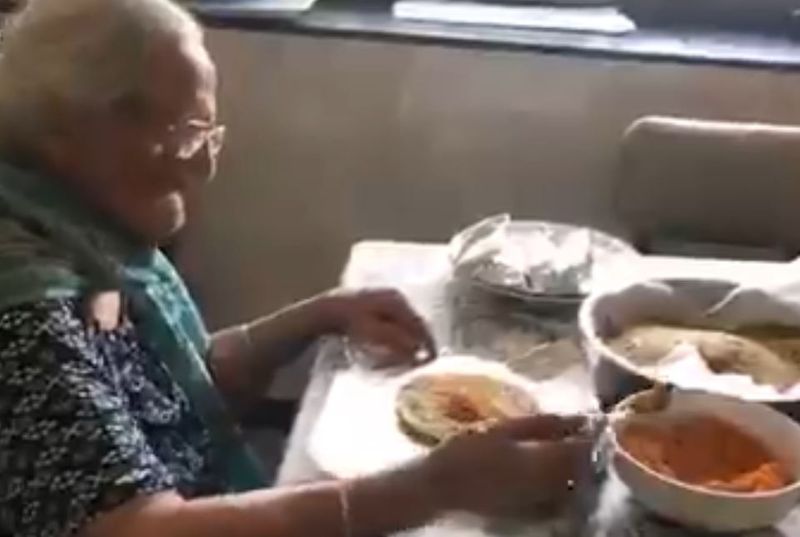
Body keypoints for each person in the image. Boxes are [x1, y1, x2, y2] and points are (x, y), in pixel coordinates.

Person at [0, 1, 593, 536]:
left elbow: (169, 395)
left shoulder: (79, 224)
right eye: (185, 135)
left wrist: (322, 314)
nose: (204, 165)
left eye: (209, 132)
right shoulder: (29, 309)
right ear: (66, 133)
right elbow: (141, 531)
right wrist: (435, 487)